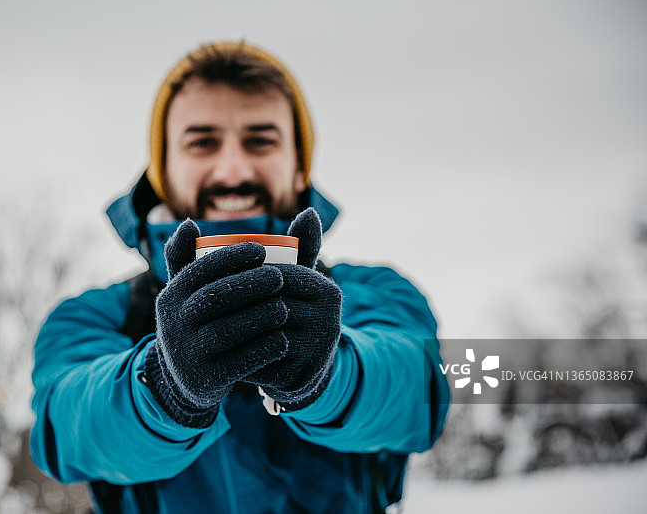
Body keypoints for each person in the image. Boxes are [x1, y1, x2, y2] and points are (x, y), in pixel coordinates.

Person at [30, 40, 450, 514]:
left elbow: (417, 394)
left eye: (261, 140)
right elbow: (66, 429)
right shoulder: (91, 319)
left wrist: (329, 375)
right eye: (202, 142)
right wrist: (166, 388)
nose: (233, 169)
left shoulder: (375, 293)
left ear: (298, 169)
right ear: (164, 170)